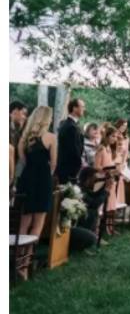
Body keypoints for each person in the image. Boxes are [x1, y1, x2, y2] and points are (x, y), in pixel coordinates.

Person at [15, 106, 57, 277]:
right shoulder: (51, 137)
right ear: (47, 119)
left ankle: (16, 263)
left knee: (23, 224)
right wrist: (46, 174)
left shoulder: (24, 138)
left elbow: (24, 161)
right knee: (37, 224)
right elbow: (54, 164)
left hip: (26, 181)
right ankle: (25, 266)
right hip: (42, 181)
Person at [93, 124, 121, 234]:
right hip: (101, 180)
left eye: (116, 137)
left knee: (108, 206)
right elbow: (96, 166)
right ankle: (96, 231)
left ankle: (105, 229)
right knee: (100, 207)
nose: (115, 139)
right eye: (113, 136)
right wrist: (108, 170)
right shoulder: (101, 148)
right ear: (107, 136)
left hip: (109, 180)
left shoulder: (109, 148)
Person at [56, 97, 86, 184]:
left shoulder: (70, 125)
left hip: (67, 169)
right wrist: (78, 166)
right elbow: (74, 150)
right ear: (74, 108)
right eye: (82, 106)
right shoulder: (71, 127)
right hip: (69, 170)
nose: (84, 109)